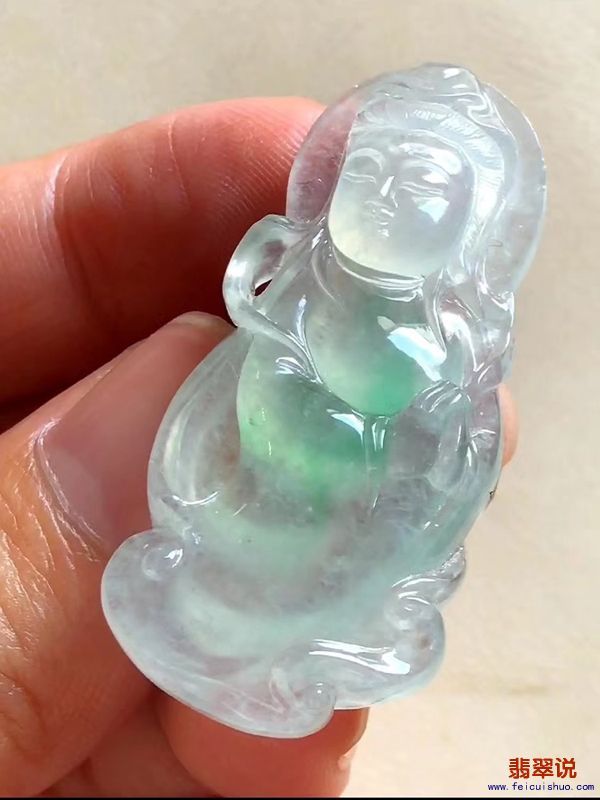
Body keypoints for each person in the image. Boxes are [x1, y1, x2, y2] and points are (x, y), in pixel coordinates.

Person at [0, 97, 517, 798]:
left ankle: (292, 618)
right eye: (368, 169)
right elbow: (250, 310)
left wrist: (439, 434)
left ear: (469, 221)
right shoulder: (304, 275)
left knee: (350, 514)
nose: (386, 196)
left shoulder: (446, 334)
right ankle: (244, 606)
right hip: (262, 462)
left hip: (349, 506)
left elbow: (448, 444)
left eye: (422, 181)